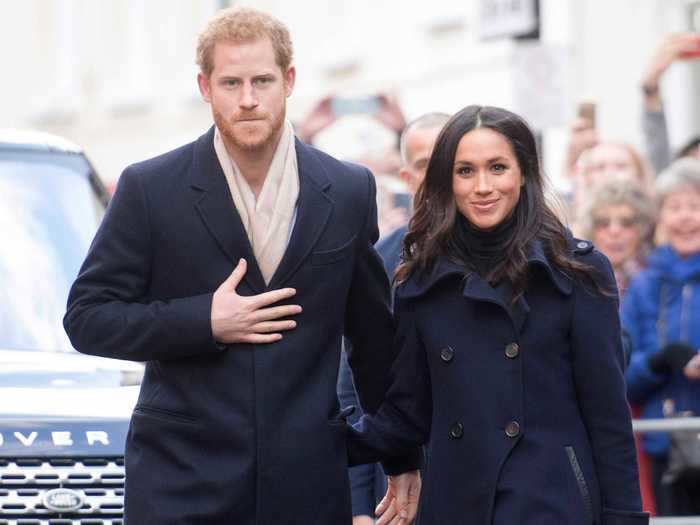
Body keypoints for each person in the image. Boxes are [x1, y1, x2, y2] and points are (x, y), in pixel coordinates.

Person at [63, 7, 419, 525]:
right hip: (182, 483)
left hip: (305, 483)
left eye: (262, 81)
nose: (248, 99)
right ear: (205, 87)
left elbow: (371, 340)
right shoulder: (150, 188)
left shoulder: (346, 189)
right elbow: (87, 317)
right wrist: (205, 320)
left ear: (289, 81)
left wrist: (400, 454)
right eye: (231, 82)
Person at [349, 105, 649, 525]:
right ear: (446, 181)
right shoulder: (420, 281)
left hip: (551, 503)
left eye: (497, 167)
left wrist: (624, 519)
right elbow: (405, 413)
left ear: (523, 173)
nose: (483, 186)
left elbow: (608, 415)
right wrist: (314, 436)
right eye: (465, 171)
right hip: (458, 504)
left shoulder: (575, 272)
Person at [337, 112, 449, 525]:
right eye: (425, 164)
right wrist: (358, 506)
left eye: (449, 159)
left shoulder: (514, 255)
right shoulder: (382, 261)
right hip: (406, 485)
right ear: (406, 175)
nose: (439, 174)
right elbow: (354, 388)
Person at [622, 157, 700, 516]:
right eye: (675, 207)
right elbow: (620, 376)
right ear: (661, 217)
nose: (685, 217)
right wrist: (659, 361)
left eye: (695, 206)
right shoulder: (643, 285)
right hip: (663, 444)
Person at [577, 181, 655, 296]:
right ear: (590, 229)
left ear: (643, 228)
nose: (614, 231)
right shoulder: (575, 279)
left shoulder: (658, 279)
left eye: (626, 223)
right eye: (603, 223)